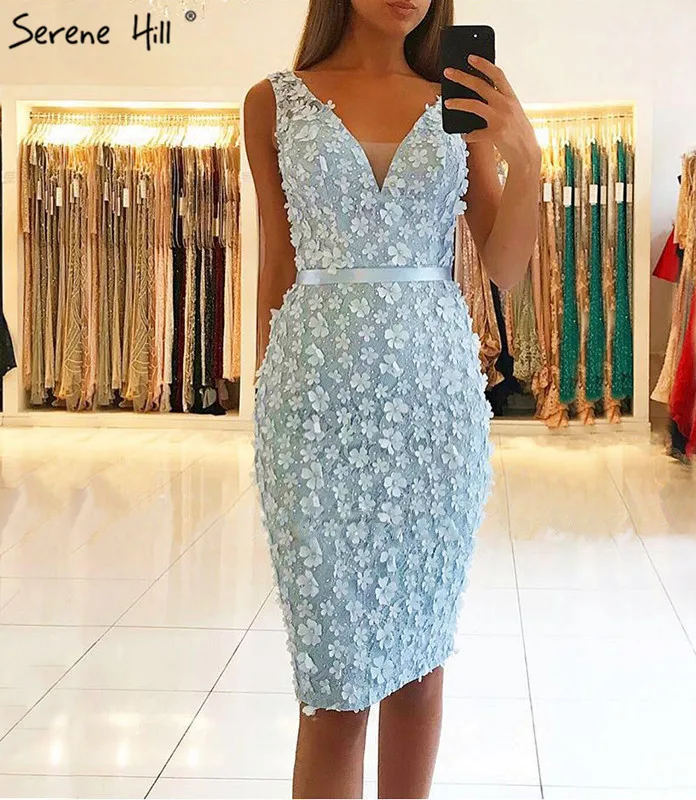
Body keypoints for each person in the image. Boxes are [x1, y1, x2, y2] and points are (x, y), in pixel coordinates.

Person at [244, 1, 540, 797]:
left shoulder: (455, 102)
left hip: (433, 412)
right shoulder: (272, 101)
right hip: (312, 411)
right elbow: (277, 262)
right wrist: (266, 402)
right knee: (334, 691)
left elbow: (506, 267)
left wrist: (525, 160)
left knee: (420, 671)